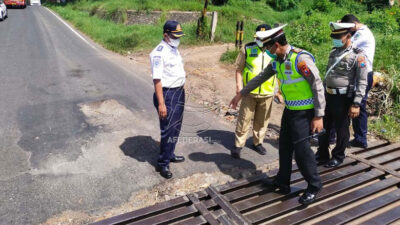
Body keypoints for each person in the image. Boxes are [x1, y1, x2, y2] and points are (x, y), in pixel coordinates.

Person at [230, 24, 325, 205]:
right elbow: (260, 78)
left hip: (305, 113)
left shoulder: (300, 59)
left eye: (267, 47)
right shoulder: (278, 62)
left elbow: (317, 85)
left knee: (302, 151)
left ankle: (314, 185)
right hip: (290, 111)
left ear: (277, 45)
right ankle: (282, 182)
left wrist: (319, 116)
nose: (266, 50)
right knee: (285, 147)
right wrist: (240, 94)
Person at [316, 22, 368, 168]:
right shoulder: (334, 52)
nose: (335, 39)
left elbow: (362, 81)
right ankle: (322, 153)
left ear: (348, 36)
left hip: (344, 98)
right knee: (324, 126)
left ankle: (338, 155)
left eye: (338, 36)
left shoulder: (358, 56)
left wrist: (356, 103)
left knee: (341, 128)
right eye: (334, 36)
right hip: (328, 95)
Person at [231, 24, 277, 159]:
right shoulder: (247, 48)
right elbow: (239, 69)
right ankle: (238, 145)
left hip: (267, 93)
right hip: (249, 93)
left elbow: (279, 71)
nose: (261, 40)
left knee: (262, 121)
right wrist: (239, 87)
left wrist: (279, 90)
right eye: (259, 37)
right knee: (244, 119)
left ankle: (257, 143)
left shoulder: (275, 51)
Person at [150, 20, 186, 179]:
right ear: (166, 35)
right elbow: (157, 80)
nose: (177, 38)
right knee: (168, 130)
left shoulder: (173, 48)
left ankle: (170, 153)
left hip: (178, 93)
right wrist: (162, 104)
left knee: (176, 128)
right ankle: (162, 164)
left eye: (179, 35)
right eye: (175, 35)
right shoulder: (159, 52)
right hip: (167, 95)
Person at [343, 14, 375, 148]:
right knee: (357, 105)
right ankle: (359, 138)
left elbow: (346, 46)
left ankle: (360, 139)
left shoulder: (362, 34)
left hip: (363, 75)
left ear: (353, 24)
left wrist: (341, 32)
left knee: (358, 105)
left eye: (347, 29)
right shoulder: (361, 32)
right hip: (360, 74)